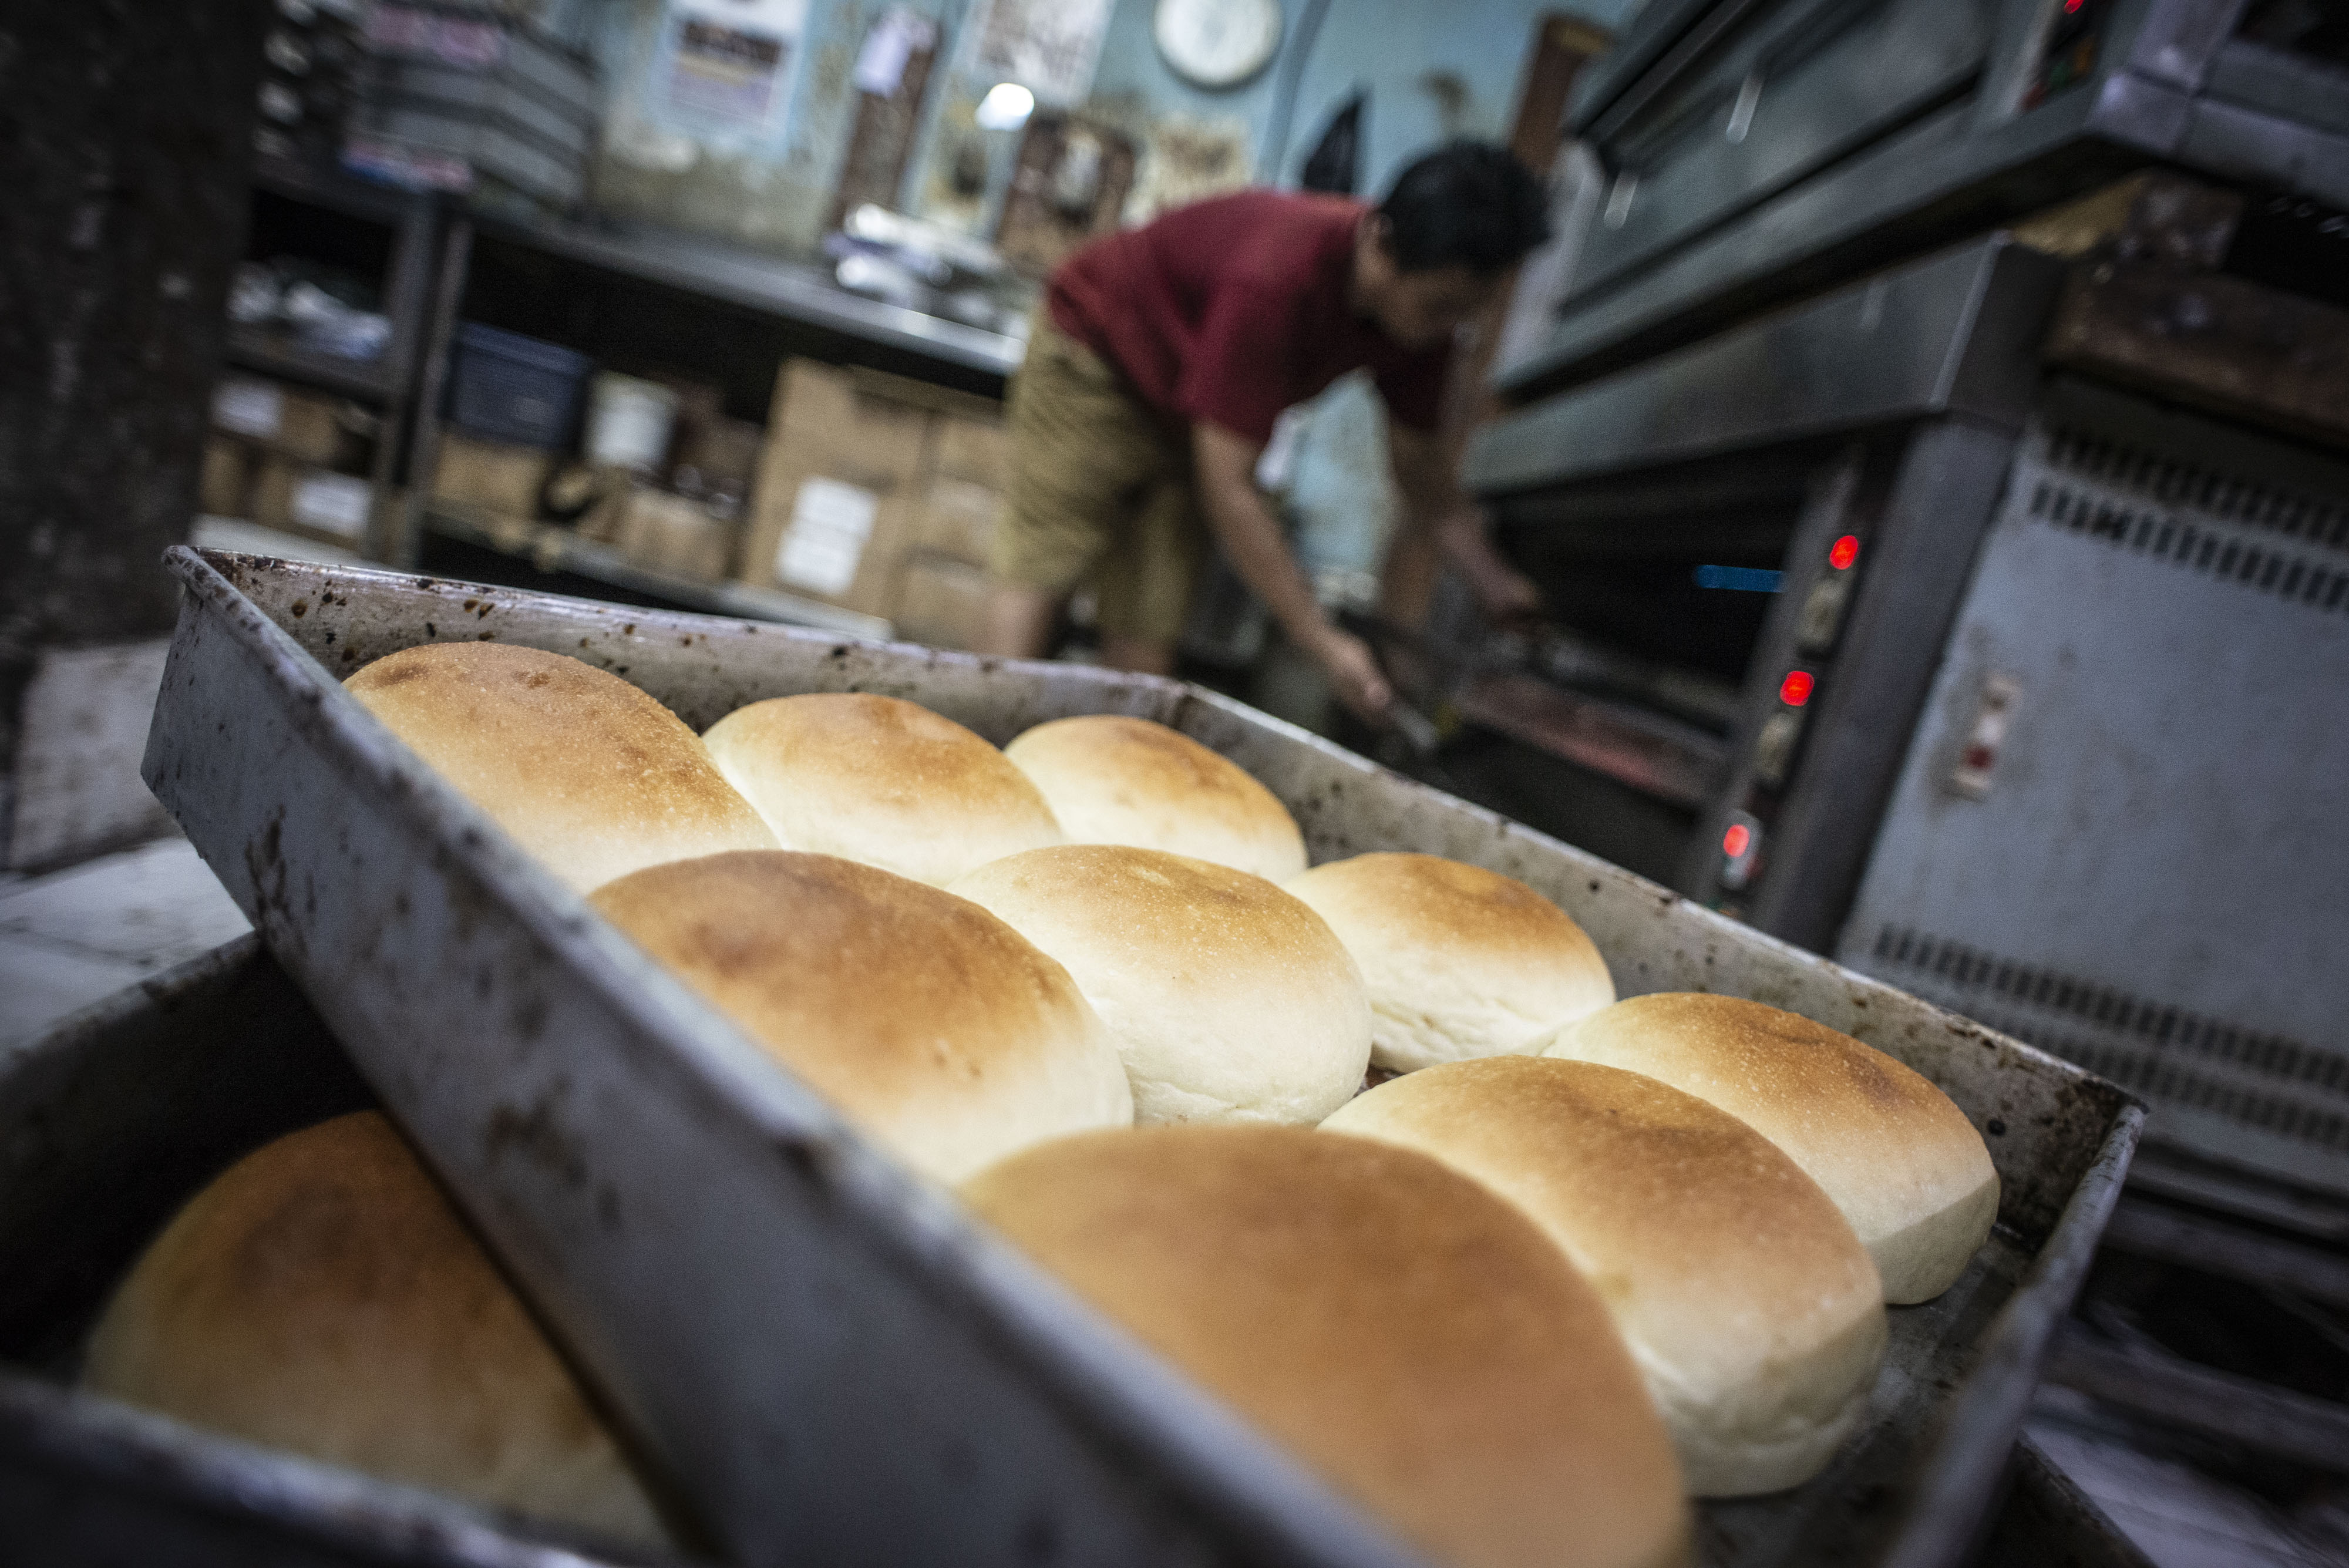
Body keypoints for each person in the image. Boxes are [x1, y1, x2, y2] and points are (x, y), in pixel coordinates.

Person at [977, 141, 1551, 722]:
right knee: (1043, 564)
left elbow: (1420, 471)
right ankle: (984, 743)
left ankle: (1109, 779)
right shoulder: (1277, 275)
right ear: (1381, 243)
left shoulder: (1423, 329)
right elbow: (1230, 487)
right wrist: (1322, 642)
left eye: (1465, 312)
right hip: (1096, 361)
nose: (1446, 327)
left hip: (1187, 409)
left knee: (1151, 615)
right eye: (1438, 306)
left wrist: (1495, 581)